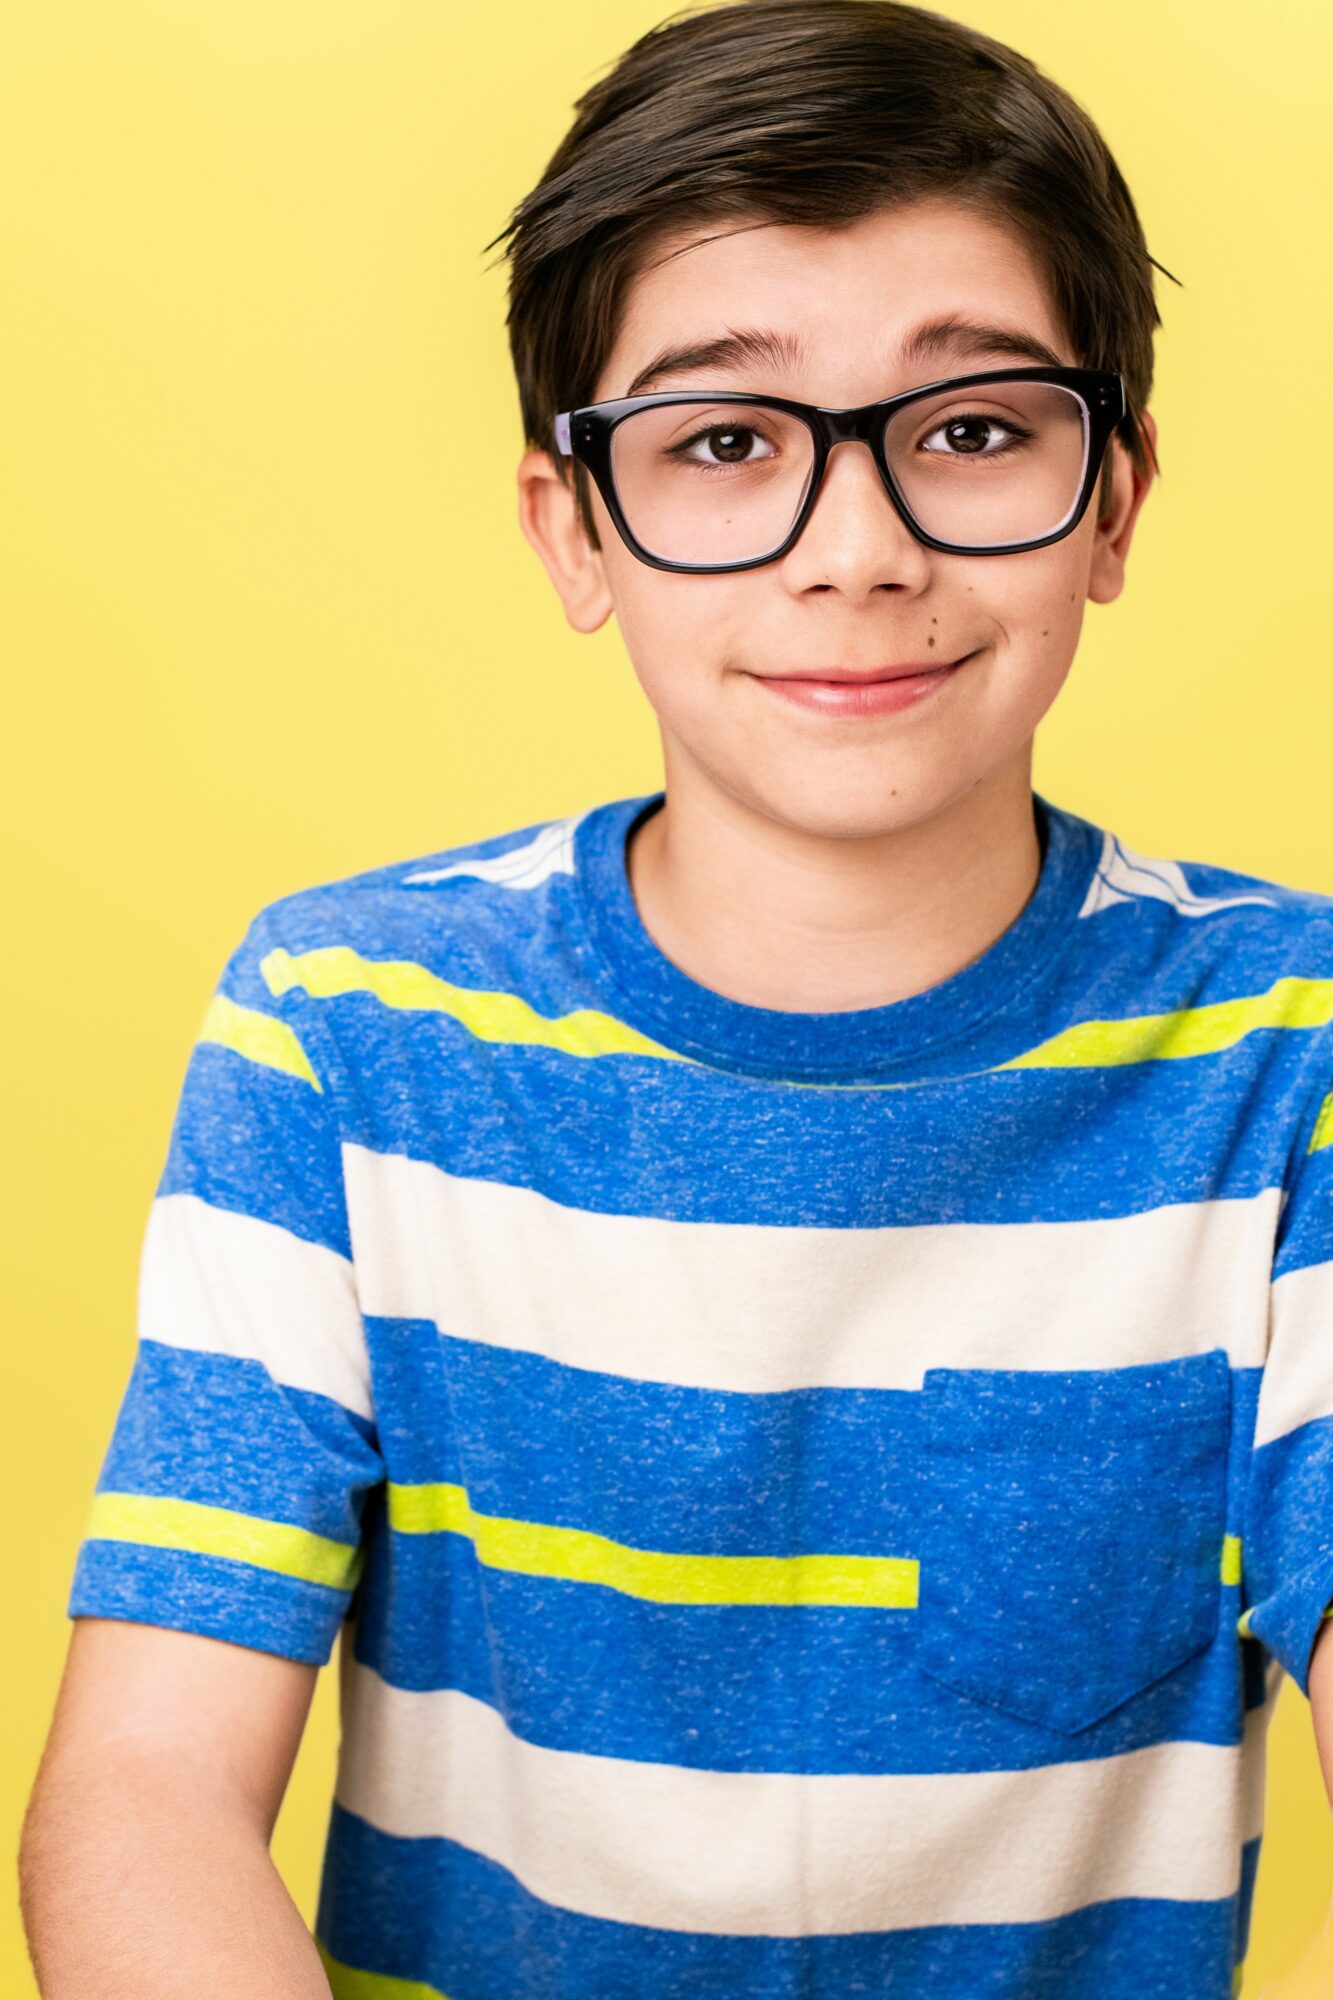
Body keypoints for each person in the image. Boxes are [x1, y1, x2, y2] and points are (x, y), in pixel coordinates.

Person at [20, 2, 1333, 1996]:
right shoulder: (346, 1028)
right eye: (726, 444)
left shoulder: (1291, 1051)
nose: (855, 548)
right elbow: (145, 1793)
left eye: (972, 430)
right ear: (574, 528)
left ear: (1118, 499)